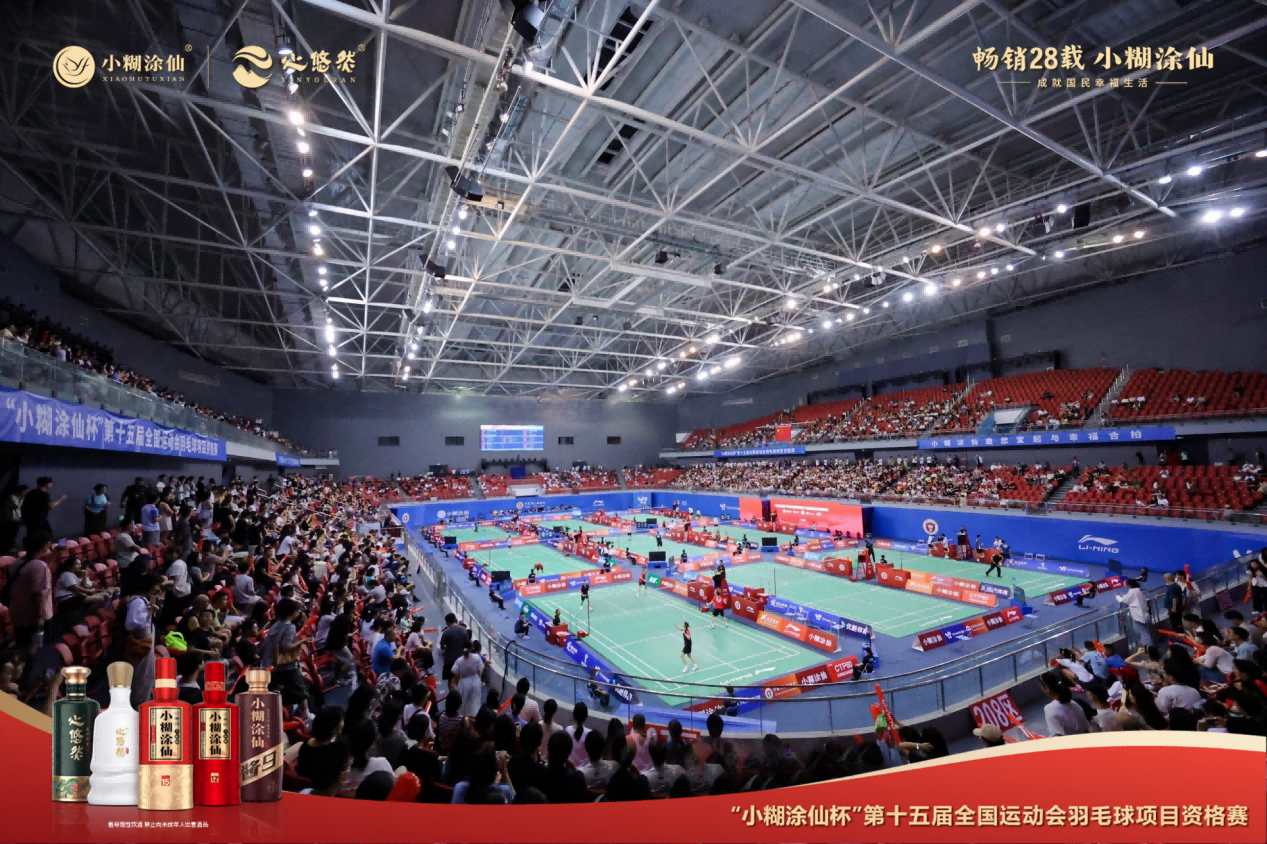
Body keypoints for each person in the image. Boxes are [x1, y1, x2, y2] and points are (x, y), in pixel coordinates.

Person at [541, 730, 588, 804]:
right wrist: (574, 767)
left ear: (549, 749)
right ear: (569, 752)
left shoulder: (539, 774)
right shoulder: (577, 778)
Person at [1039, 671, 1089, 736]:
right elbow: (1086, 729)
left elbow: (1060, 736)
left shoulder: (1049, 709)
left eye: (1041, 687)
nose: (1041, 689)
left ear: (1047, 688)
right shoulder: (1075, 703)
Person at [20, 477, 64, 547]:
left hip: (29, 519)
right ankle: (43, 549)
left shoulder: (31, 493)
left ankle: (32, 550)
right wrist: (61, 499)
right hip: (39, 519)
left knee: (32, 535)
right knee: (47, 534)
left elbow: (24, 505)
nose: (51, 484)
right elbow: (51, 506)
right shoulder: (44, 495)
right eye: (50, 483)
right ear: (46, 484)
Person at [452, 641, 485, 718]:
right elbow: (480, 671)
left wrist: (455, 685)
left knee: (464, 701)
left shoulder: (459, 661)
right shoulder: (476, 658)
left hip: (464, 683)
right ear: (471, 648)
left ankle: (464, 718)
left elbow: (456, 674)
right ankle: (473, 717)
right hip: (475, 682)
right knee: (474, 700)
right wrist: (478, 680)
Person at [1116, 578, 1153, 646]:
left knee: (1143, 632)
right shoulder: (1136, 591)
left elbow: (1125, 600)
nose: (1123, 583)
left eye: (1125, 582)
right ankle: (1145, 646)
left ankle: (1149, 646)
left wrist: (1117, 597)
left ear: (1128, 584)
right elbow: (1130, 598)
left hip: (1138, 616)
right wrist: (1124, 596)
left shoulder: (1132, 592)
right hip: (1143, 614)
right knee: (1142, 631)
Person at [439, 613, 468, 685]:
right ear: (455, 620)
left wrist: (448, 647)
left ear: (447, 622)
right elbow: (467, 644)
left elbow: (442, 647)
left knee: (450, 678)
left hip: (449, 660)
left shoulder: (446, 633)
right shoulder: (464, 630)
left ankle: (451, 690)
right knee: (459, 677)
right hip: (461, 659)